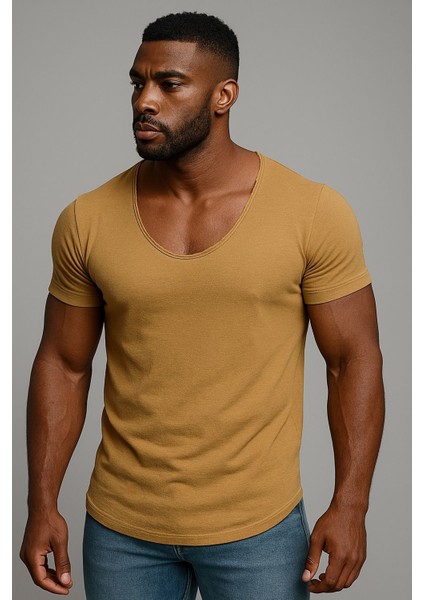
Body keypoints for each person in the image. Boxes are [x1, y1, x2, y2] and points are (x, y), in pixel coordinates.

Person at [19, 11, 385, 599]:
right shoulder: (86, 219)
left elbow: (353, 360)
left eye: (169, 84)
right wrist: (41, 503)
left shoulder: (313, 212)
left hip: (259, 528)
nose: (144, 100)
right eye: (137, 82)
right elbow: (63, 364)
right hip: (121, 529)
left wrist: (351, 504)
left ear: (224, 96)